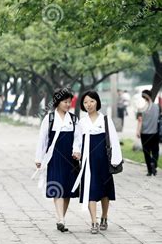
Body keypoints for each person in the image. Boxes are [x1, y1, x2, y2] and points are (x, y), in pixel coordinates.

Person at [72, 90, 122, 234]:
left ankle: (104, 217)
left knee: (105, 192)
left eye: (92, 101)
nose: (89, 104)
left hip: (103, 161)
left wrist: (115, 160)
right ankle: (93, 222)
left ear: (97, 102)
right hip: (88, 162)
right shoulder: (82, 122)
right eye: (86, 102)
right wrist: (76, 151)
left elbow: (114, 141)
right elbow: (77, 141)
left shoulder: (105, 120)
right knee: (89, 190)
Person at [34, 89, 80, 232]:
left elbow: (78, 138)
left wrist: (77, 150)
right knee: (58, 188)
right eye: (64, 102)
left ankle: (61, 218)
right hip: (55, 158)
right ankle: (61, 219)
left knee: (67, 191)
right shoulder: (49, 118)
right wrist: (38, 157)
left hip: (70, 159)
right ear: (57, 102)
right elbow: (42, 139)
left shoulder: (73, 119)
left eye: (69, 102)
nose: (67, 104)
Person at [136, 89, 160, 176]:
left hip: (144, 134)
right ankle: (154, 163)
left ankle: (150, 170)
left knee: (146, 152)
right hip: (155, 133)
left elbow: (139, 121)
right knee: (155, 151)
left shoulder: (141, 108)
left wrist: (138, 132)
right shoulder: (157, 107)